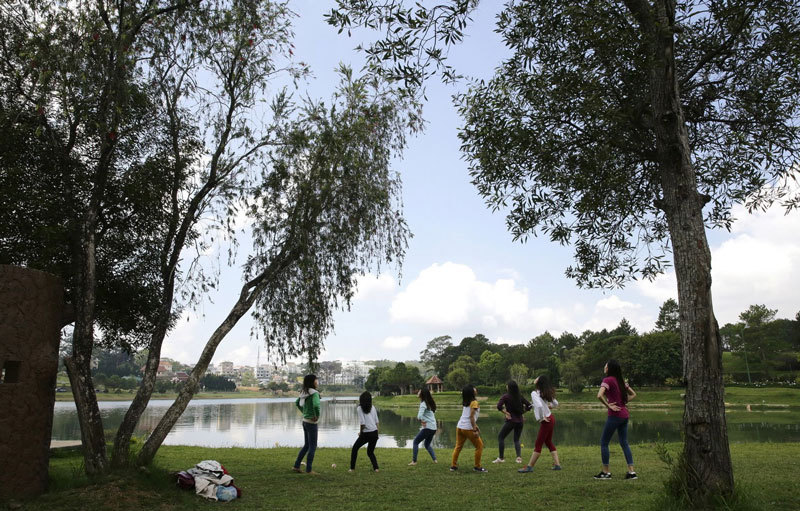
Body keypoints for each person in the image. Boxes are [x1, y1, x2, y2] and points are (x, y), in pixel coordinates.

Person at [594, 359, 637, 480]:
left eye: (606, 365)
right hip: (625, 415)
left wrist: (609, 406)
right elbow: (633, 394)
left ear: (609, 368)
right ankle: (632, 472)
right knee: (624, 442)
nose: (604, 367)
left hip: (615, 415)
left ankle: (606, 472)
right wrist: (623, 403)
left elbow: (599, 395)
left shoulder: (607, 380)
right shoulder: (621, 381)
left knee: (604, 442)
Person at [519, 375, 561, 473]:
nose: (535, 378)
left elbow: (538, 405)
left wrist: (542, 417)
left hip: (547, 420)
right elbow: (556, 404)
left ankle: (529, 467)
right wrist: (548, 407)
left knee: (538, 444)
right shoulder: (544, 392)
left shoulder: (534, 393)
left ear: (538, 382)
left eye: (537, 378)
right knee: (548, 442)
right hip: (551, 418)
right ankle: (557, 465)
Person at [492, 380, 532, 464]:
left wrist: (506, 413)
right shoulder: (519, 396)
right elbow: (529, 405)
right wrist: (522, 413)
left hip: (511, 420)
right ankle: (518, 458)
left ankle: (501, 458)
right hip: (520, 421)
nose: (506, 386)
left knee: (501, 437)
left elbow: (499, 406)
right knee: (516, 439)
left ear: (509, 387)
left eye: (507, 385)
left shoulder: (506, 396)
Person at [451, 385, 487, 473]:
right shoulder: (474, 402)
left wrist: (476, 426)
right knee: (479, 446)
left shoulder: (466, 402)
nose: (475, 389)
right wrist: (474, 429)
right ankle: (477, 467)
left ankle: (453, 466)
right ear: (471, 392)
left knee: (458, 446)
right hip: (468, 428)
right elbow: (471, 417)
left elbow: (468, 416)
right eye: (473, 388)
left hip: (460, 427)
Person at [293, 374, 320, 474]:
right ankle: (309, 470)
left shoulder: (304, 392)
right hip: (312, 423)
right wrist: (316, 416)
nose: (317, 382)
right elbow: (316, 405)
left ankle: (296, 466)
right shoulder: (314, 393)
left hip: (305, 421)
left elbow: (297, 403)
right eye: (316, 380)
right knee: (312, 446)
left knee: (307, 445)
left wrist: (304, 413)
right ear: (313, 382)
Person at [349, 391, 380, 472]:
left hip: (366, 433)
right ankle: (376, 468)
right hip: (374, 433)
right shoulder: (373, 407)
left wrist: (361, 433)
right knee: (370, 452)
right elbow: (377, 421)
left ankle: (352, 468)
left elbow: (362, 423)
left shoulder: (359, 408)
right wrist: (377, 434)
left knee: (355, 449)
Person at [409, 388, 438, 465]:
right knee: (427, 444)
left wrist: (423, 421)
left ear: (422, 394)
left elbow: (419, 416)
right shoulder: (429, 403)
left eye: (419, 391)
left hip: (428, 427)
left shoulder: (423, 403)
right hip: (433, 428)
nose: (418, 392)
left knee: (415, 442)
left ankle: (414, 461)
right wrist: (423, 420)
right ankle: (435, 460)